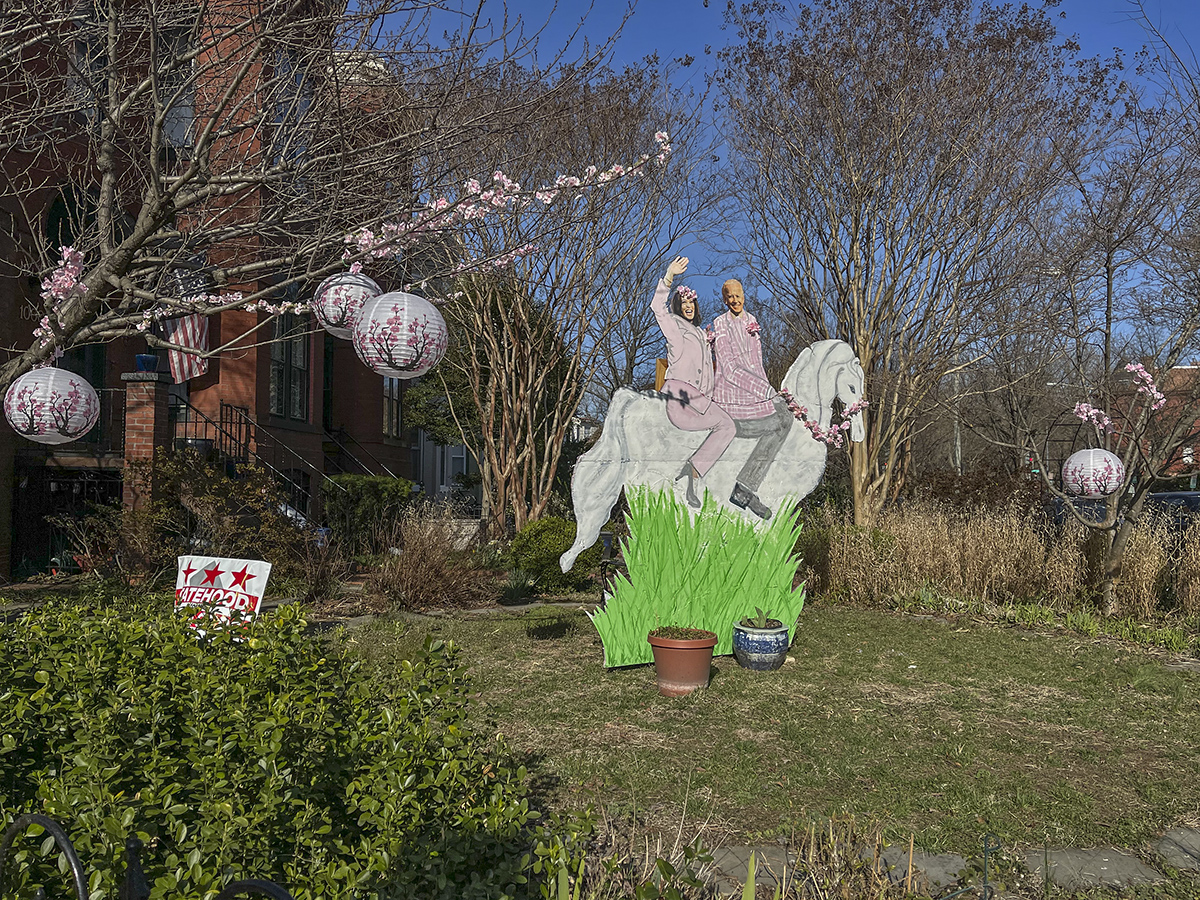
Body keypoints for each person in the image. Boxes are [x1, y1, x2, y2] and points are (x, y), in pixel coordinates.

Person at [651, 255, 735, 507]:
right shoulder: (675, 326)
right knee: (727, 426)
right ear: (678, 305)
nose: (688, 306)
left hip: (700, 400)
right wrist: (669, 276)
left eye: (692, 302)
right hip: (682, 399)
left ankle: (694, 478)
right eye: (684, 302)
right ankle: (694, 471)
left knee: (732, 420)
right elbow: (657, 307)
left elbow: (709, 374)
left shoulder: (701, 334)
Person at [710, 278, 793, 519]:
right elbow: (730, 368)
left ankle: (745, 487)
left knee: (786, 418)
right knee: (781, 423)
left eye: (738, 295)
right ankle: (744, 489)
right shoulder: (720, 324)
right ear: (724, 299)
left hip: (757, 393)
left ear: (743, 295)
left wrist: (771, 393)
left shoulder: (752, 322)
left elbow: (757, 364)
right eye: (730, 296)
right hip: (732, 397)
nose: (735, 300)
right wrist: (766, 392)